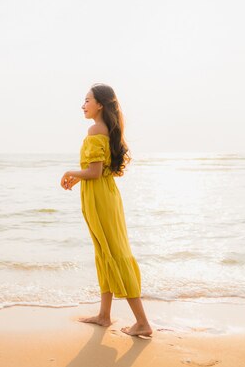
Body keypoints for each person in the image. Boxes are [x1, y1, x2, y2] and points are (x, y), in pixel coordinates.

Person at [60, 83, 152, 338]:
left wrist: (70, 172)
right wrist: (80, 178)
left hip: (100, 199)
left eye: (87, 100)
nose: (83, 104)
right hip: (104, 195)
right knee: (105, 252)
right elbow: (98, 172)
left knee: (114, 253)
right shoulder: (107, 129)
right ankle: (104, 315)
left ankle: (142, 322)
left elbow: (94, 172)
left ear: (100, 104)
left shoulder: (95, 130)